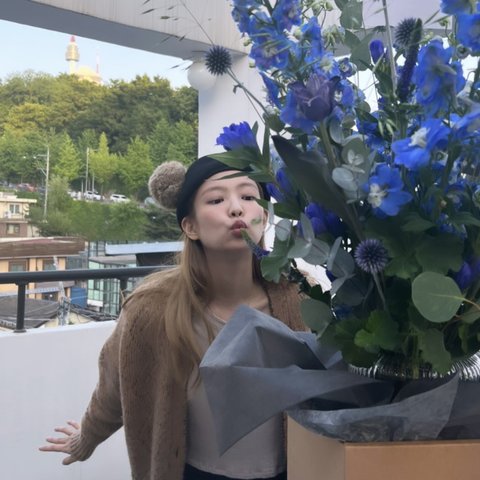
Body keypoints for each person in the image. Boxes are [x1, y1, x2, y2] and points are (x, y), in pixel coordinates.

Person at [40, 155, 305, 480]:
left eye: (249, 196)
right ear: (190, 226)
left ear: (263, 216)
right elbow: (117, 384)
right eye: (216, 199)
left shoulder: (299, 297)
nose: (236, 208)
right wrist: (86, 439)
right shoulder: (151, 308)